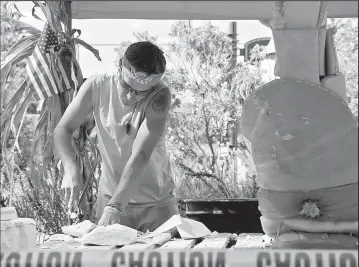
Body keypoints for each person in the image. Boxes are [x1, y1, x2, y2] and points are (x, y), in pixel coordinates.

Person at [54, 41, 178, 232]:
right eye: (126, 87)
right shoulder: (96, 85)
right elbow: (63, 129)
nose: (131, 97)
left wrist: (115, 206)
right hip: (109, 198)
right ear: (120, 67)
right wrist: (72, 171)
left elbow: (141, 154)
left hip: (156, 204)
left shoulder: (160, 95)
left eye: (140, 93)